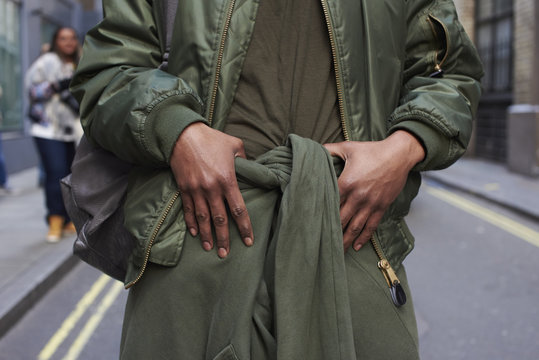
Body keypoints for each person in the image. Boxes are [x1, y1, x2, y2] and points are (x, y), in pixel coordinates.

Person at [72, 0, 483, 358]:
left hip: (349, 235)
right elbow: (108, 69)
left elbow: (450, 75)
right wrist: (178, 132)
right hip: (195, 242)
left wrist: (404, 148)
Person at [26, 27, 83, 243]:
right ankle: (55, 220)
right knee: (55, 173)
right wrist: (58, 85)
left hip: (72, 130)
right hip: (48, 129)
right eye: (63, 38)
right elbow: (33, 92)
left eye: (72, 38)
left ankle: (69, 219)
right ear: (55, 41)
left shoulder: (80, 62)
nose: (68, 42)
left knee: (70, 175)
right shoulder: (46, 62)